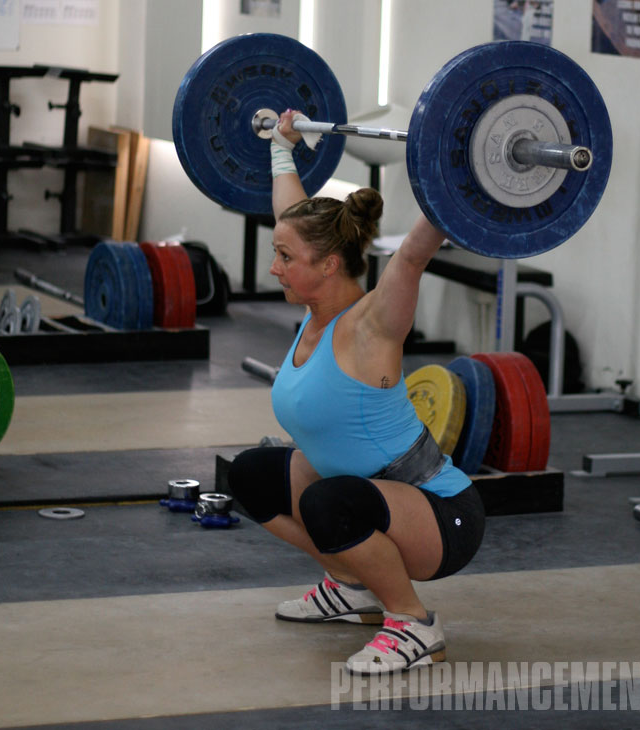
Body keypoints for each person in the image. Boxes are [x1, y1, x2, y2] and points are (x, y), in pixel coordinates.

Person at [228, 109, 486, 676]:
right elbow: (291, 217)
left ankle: (414, 624)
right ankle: (351, 585)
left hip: (440, 514)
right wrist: (281, 147)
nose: (274, 268)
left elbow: (413, 255)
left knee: (329, 502)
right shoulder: (314, 309)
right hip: (367, 495)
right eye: (277, 253)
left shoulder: (371, 327)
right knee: (250, 475)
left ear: (329, 265)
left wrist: (461, 169)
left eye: (285, 258)